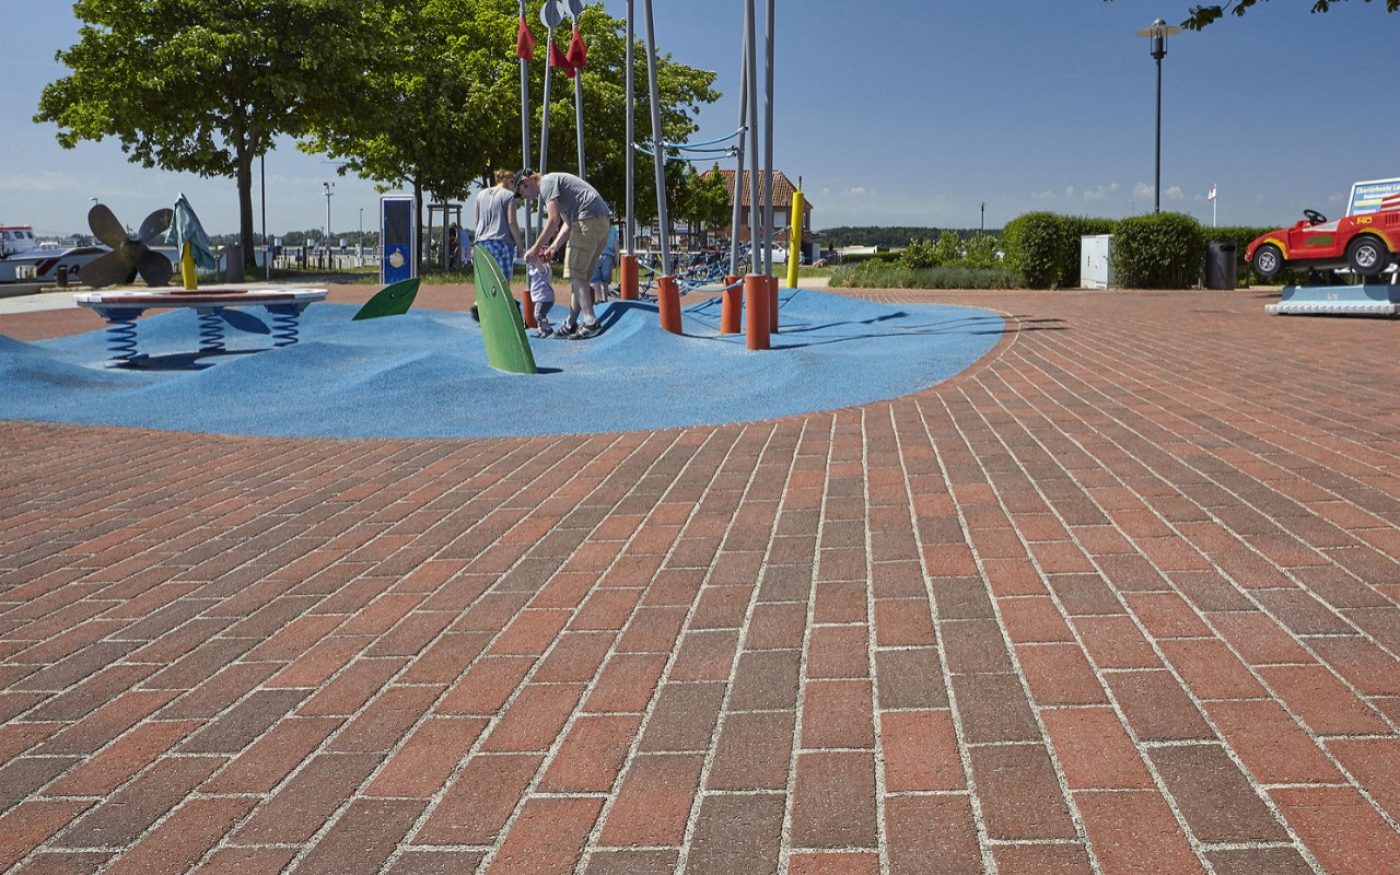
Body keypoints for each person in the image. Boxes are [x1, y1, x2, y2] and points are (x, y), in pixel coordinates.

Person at [516, 169, 613, 339]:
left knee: (574, 272)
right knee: (580, 277)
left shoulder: (545, 184)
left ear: (526, 181)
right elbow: (566, 224)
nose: (525, 198)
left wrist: (535, 248)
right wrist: (552, 248)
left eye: (522, 193)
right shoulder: (556, 188)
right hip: (601, 221)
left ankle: (590, 321)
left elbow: (553, 220)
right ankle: (570, 323)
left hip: (587, 218)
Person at [474, 169, 525, 282]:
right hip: (501, 243)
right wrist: (520, 247)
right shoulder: (510, 196)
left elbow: (477, 220)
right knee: (503, 282)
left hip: (481, 243)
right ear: (512, 181)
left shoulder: (480, 194)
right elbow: (512, 223)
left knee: (485, 281)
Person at [525, 252, 556, 337]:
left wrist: (535, 257)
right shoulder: (534, 269)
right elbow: (526, 262)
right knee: (540, 316)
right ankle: (541, 331)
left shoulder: (544, 269)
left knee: (538, 315)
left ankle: (548, 328)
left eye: (540, 257)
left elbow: (539, 265)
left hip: (544, 298)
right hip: (539, 297)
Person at [591, 222, 619, 304]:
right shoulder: (613, 229)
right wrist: (616, 260)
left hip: (596, 254)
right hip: (608, 256)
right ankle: (605, 298)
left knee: (596, 279)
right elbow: (616, 246)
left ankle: (599, 298)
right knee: (605, 280)